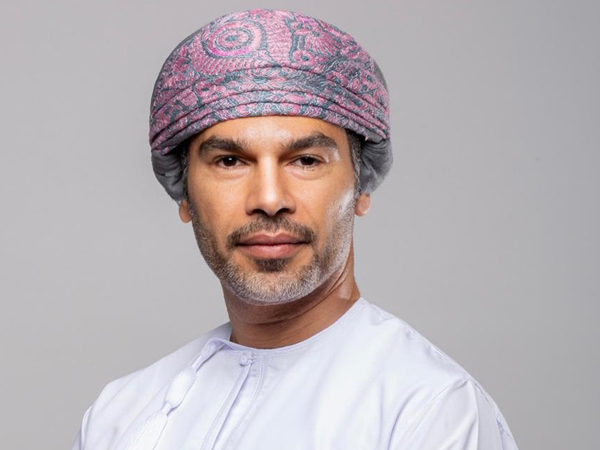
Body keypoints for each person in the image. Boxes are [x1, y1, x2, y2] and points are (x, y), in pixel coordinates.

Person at [72, 9, 519, 450]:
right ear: (184, 193)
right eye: (230, 161)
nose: (269, 198)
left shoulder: (430, 412)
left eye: (305, 160)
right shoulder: (120, 415)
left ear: (361, 187)